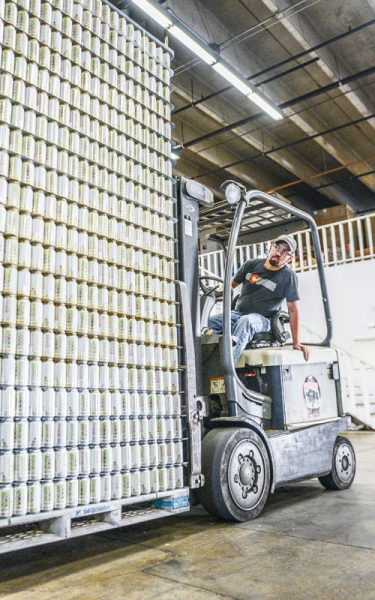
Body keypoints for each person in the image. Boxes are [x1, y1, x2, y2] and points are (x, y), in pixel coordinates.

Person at [207, 235, 310, 364]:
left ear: (290, 258)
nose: (278, 253)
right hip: (238, 314)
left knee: (246, 321)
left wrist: (297, 342)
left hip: (264, 320)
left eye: (285, 251)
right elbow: (228, 286)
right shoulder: (251, 265)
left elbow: (293, 310)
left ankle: (226, 372)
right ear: (270, 247)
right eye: (277, 247)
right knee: (206, 322)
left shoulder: (288, 277)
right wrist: (212, 293)